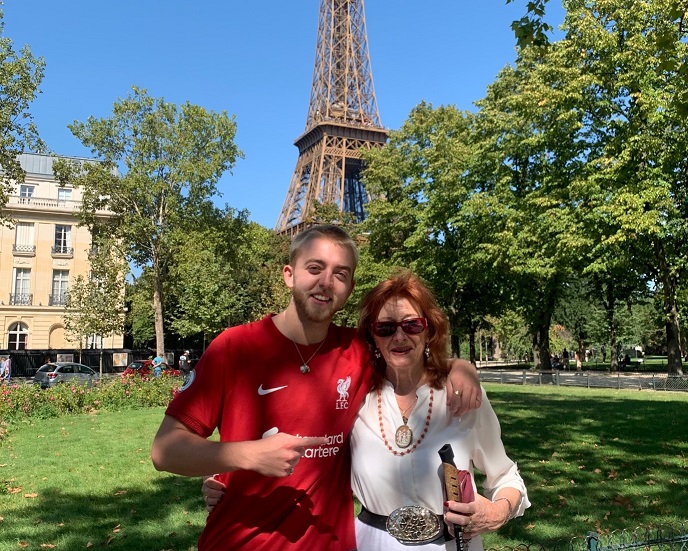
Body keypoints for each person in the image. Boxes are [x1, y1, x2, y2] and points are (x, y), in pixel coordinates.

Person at [151, 225, 480, 550]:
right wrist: (247, 456)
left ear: (349, 287)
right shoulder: (234, 349)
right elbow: (165, 451)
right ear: (289, 275)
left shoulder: (358, 351)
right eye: (314, 268)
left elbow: (408, 353)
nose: (326, 282)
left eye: (340, 273)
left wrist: (462, 368)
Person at [204, 270, 529, 550]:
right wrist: (230, 480)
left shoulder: (463, 397)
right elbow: (297, 447)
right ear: (372, 337)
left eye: (412, 325)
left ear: (429, 330)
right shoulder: (353, 396)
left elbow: (506, 475)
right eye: (385, 328)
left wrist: (500, 510)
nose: (399, 336)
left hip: (452, 544)